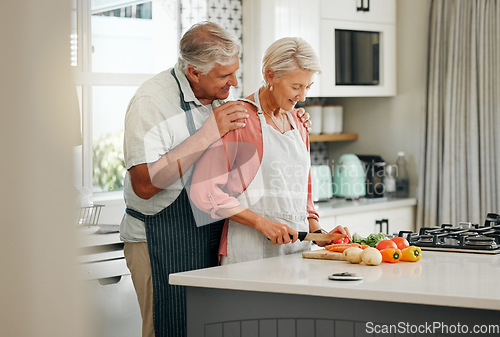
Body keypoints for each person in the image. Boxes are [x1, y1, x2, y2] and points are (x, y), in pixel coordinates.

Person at [120, 22, 311, 337]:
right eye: (225, 76)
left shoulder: (220, 93)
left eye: (235, 72)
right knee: (170, 329)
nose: (233, 82)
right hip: (160, 237)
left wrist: (291, 111)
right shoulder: (151, 102)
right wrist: (208, 132)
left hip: (210, 233)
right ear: (194, 72)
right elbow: (144, 185)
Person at [190, 37, 350, 265]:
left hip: (297, 253)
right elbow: (204, 192)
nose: (302, 97)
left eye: (307, 87)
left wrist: (321, 234)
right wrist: (261, 223)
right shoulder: (238, 119)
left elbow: (303, 198)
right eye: (296, 87)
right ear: (270, 76)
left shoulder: (299, 122)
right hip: (249, 253)